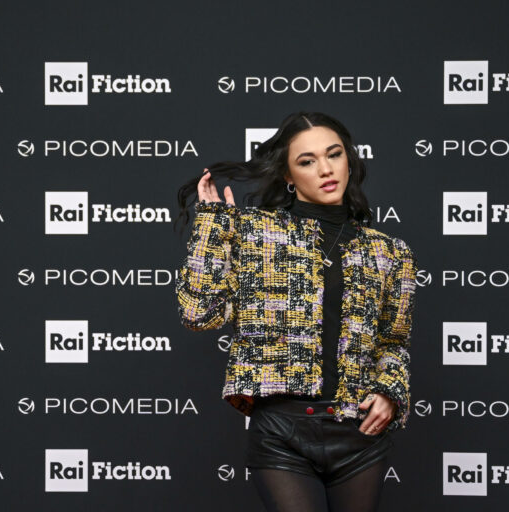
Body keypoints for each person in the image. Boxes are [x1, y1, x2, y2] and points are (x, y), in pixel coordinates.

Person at [174, 111, 417, 512]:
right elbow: (198, 313)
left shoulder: (389, 252)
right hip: (281, 432)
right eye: (307, 161)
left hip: (359, 433)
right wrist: (213, 227)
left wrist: (390, 391)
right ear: (288, 175)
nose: (325, 169)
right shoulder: (253, 233)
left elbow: (394, 341)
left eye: (334, 155)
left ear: (349, 160)